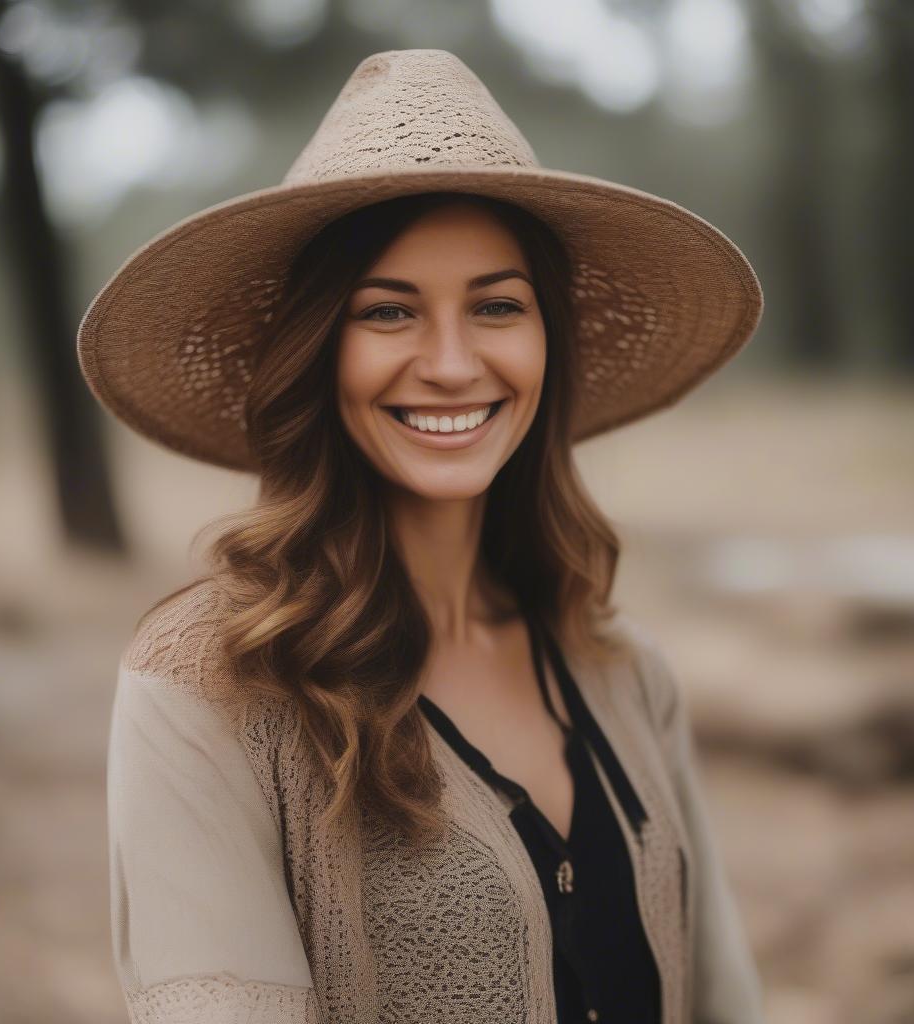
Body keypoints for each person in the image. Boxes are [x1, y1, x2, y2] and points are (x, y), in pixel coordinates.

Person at [79, 49, 767, 1024]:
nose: (451, 363)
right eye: (388, 311)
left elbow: (726, 1000)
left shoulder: (625, 672)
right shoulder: (208, 685)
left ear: (546, 347)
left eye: (496, 305)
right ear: (319, 352)